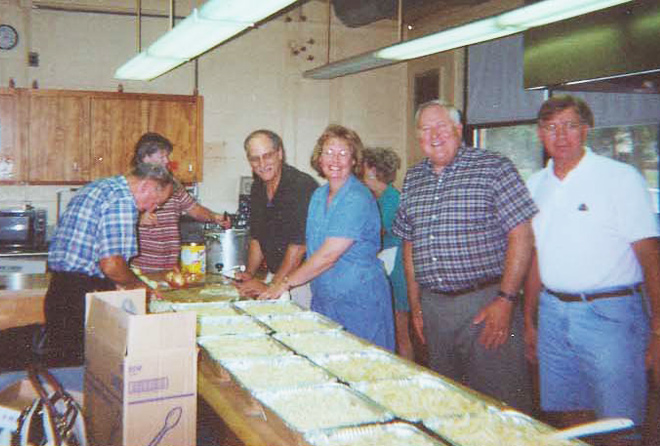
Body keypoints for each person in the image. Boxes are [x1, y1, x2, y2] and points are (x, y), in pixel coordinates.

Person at [524, 95, 660, 437]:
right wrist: (527, 320)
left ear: (586, 130)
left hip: (610, 316)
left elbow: (649, 255)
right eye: (551, 127)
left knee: (621, 423)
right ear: (540, 134)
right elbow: (537, 255)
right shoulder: (535, 184)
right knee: (568, 415)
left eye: (570, 126)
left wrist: (658, 329)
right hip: (553, 314)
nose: (561, 135)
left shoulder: (619, 178)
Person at [392, 99, 536, 412]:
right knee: (449, 401)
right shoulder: (413, 179)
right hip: (434, 309)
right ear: (418, 138)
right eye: (425, 129)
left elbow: (522, 235)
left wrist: (506, 299)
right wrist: (416, 305)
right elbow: (409, 245)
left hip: (486, 305)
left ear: (458, 129)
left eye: (441, 126)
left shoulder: (494, 167)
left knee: (501, 403)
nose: (434, 135)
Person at [260, 125, 395, 351]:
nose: (335, 159)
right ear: (319, 158)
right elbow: (309, 246)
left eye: (344, 153)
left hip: (359, 302)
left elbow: (328, 255)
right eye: (329, 152)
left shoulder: (357, 197)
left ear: (354, 160)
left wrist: (285, 283)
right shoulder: (319, 195)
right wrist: (276, 281)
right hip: (324, 299)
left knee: (362, 370)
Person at [45, 162, 175, 365]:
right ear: (146, 186)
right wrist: (141, 287)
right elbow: (112, 265)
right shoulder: (122, 201)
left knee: (64, 366)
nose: (152, 208)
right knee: (83, 374)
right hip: (80, 298)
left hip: (61, 291)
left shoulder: (101, 187)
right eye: (156, 201)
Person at [234, 130, 318, 309]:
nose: (262, 164)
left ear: (280, 154)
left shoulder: (300, 186)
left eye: (267, 156)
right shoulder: (258, 187)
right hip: (278, 276)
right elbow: (257, 238)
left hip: (302, 282)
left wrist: (273, 287)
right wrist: (249, 273)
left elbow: (298, 246)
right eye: (255, 159)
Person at [129, 132, 230, 273]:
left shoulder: (173, 185)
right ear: (145, 158)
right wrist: (137, 219)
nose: (166, 161)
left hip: (169, 269)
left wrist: (215, 217)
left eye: (167, 156)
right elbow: (114, 223)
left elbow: (194, 209)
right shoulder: (132, 187)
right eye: (162, 156)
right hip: (139, 271)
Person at [362, 147, 414, 360]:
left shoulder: (392, 199)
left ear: (373, 171)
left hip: (397, 272)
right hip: (387, 267)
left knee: (400, 332)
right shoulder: (378, 198)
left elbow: (375, 235)